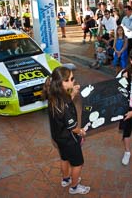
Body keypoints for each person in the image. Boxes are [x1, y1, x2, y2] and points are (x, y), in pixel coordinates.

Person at [43, 66, 90, 195]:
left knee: (64, 158)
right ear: (60, 83)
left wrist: (72, 92)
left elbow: (67, 99)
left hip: (58, 138)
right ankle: (74, 187)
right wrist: (81, 132)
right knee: (78, 163)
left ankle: (66, 179)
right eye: (68, 80)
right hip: (69, 139)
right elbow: (73, 128)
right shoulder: (64, 106)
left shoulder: (54, 95)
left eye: (72, 78)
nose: (72, 81)